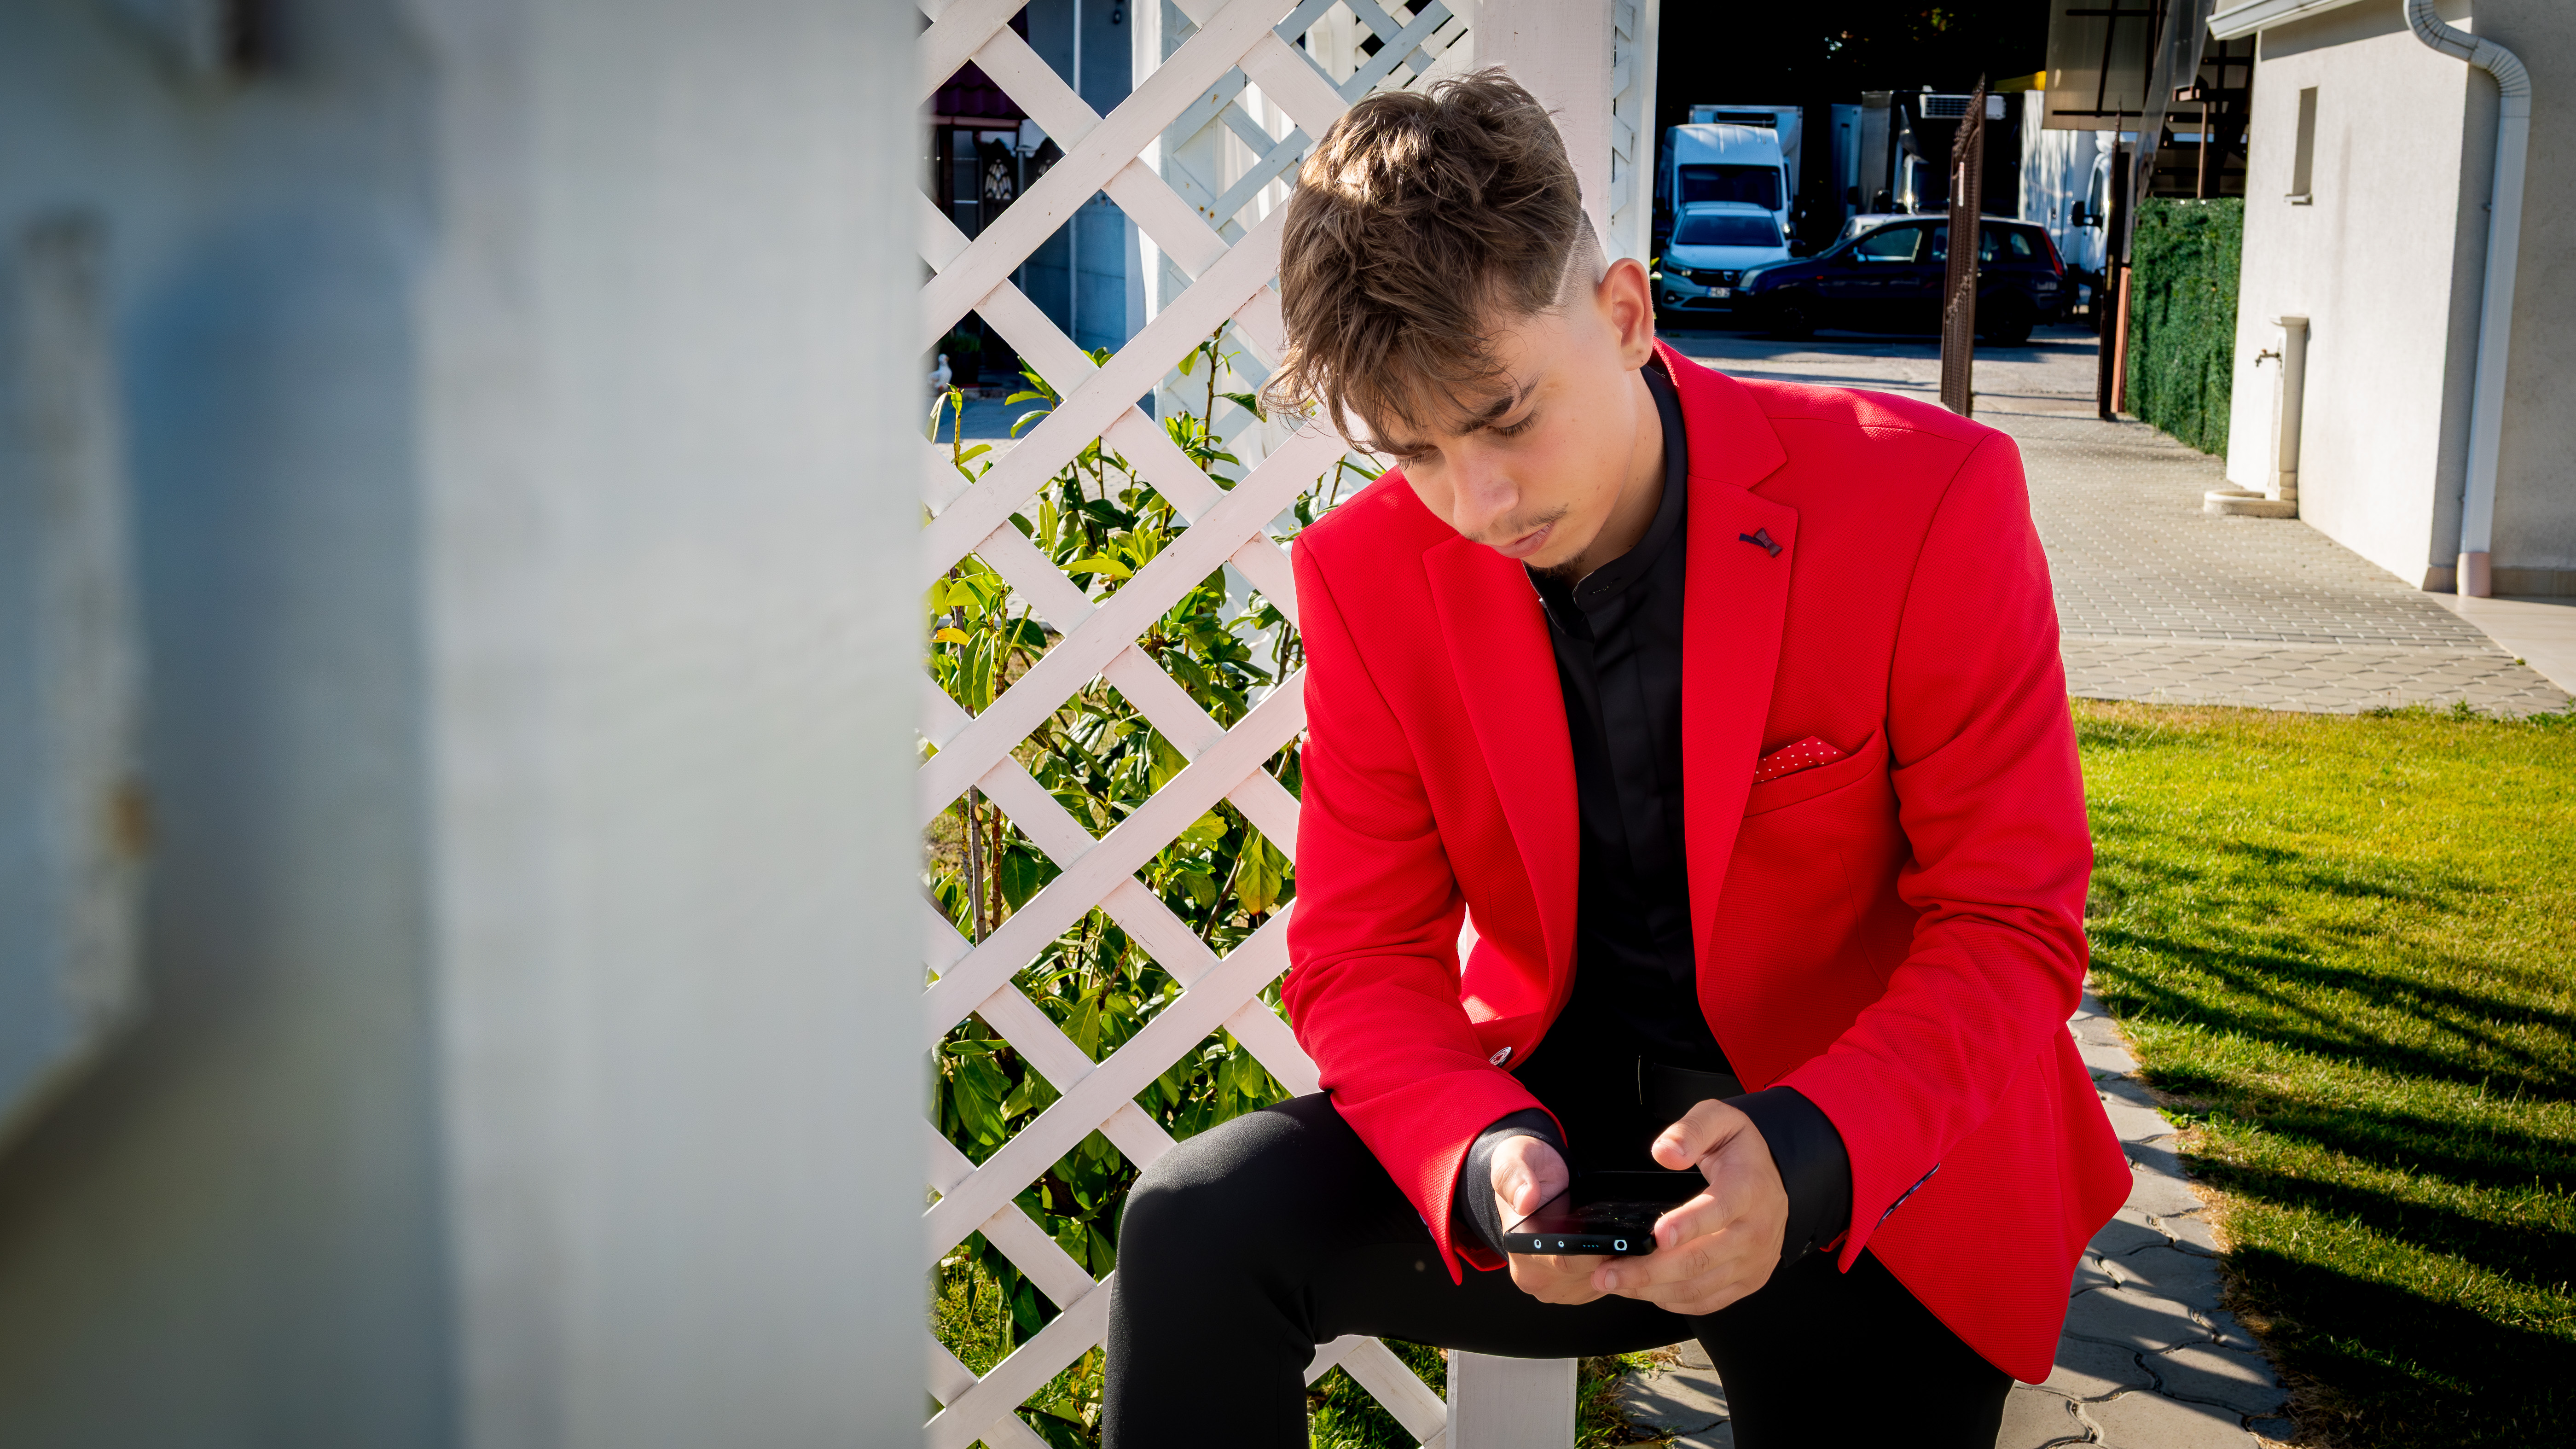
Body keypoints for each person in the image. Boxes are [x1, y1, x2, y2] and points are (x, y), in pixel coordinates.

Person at [1102, 71, 2126, 1449]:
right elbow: (1360, 955)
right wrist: (1477, 1154)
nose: (1479, 503)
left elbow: (2008, 923)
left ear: (1626, 315)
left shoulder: (1925, 495)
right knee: (1194, 1225)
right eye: (1414, 452)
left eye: (1505, 416)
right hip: (1555, 1146)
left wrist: (1813, 1154)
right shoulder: (1367, 573)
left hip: (1865, 1153)